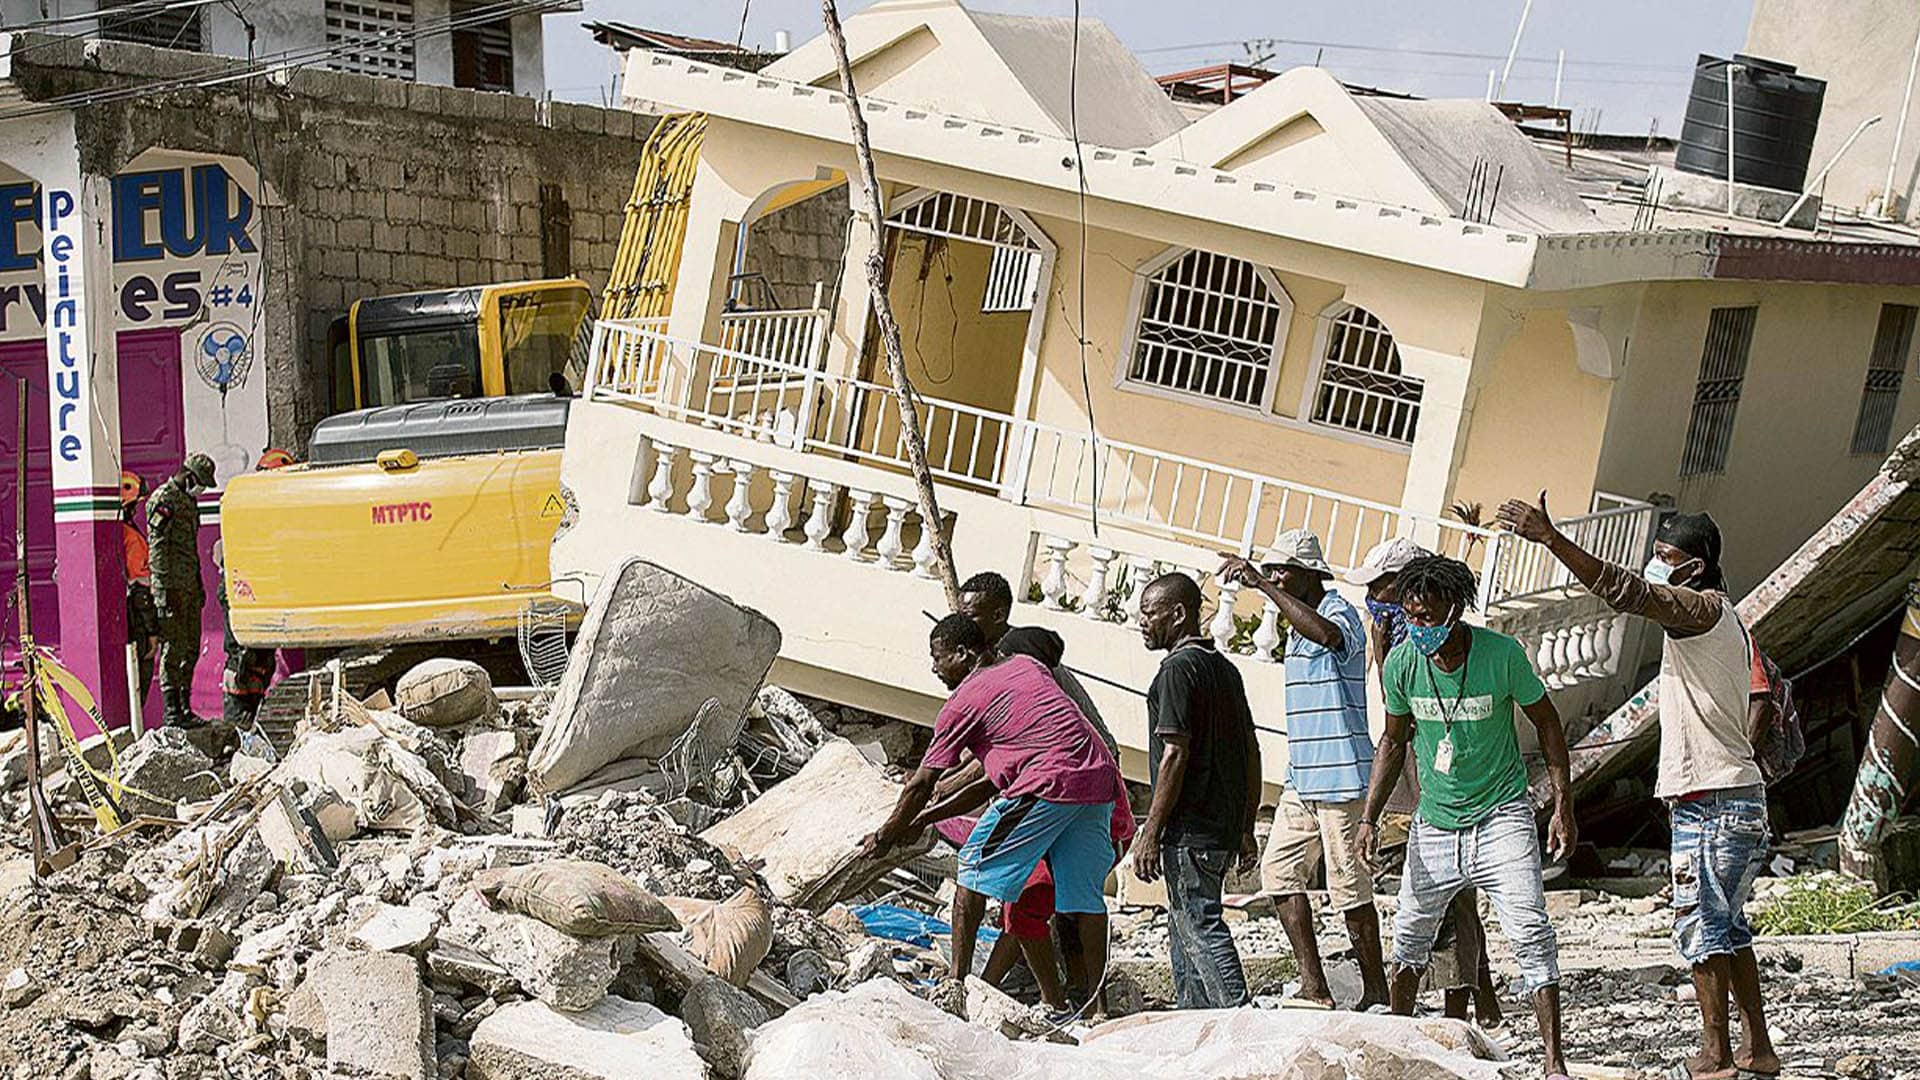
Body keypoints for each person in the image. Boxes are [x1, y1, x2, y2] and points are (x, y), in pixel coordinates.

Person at [1497, 496, 1780, 1080]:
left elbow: (1626, 591)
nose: (1656, 565)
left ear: (1694, 567)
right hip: (1732, 797)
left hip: (1713, 800)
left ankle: (1717, 1056)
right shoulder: (1725, 617)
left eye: (1665, 557)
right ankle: (1757, 1048)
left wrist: (1551, 539)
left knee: (1701, 929)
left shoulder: (1699, 608)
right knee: (1727, 928)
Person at [1353, 555, 1576, 1080]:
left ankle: (1554, 1062)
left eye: (1427, 617)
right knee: (1410, 935)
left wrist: (1562, 806)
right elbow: (1393, 741)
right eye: (1410, 617)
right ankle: (1398, 1049)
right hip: (1435, 822)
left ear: (1455, 610)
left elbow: (1547, 724)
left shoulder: (1502, 655)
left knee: (1530, 931)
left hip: (1501, 817)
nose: (1418, 628)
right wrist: (1369, 818)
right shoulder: (1402, 663)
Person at [862, 615, 1125, 1011]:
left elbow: (922, 783)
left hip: (1050, 784)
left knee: (971, 866)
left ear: (962, 654)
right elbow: (989, 782)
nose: (934, 667)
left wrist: (886, 835)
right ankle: (1096, 1009)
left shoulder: (965, 700)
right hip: (1097, 783)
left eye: (937, 657)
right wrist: (921, 820)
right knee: (1083, 899)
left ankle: (956, 987)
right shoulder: (1027, 668)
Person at [1219, 530, 1388, 1011]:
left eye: (1282, 571)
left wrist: (1261, 585)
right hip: (1303, 777)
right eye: (1271, 571)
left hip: (1342, 779)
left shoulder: (1339, 613)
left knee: (1349, 888)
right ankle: (1315, 986)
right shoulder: (1295, 624)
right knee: (1279, 874)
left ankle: (1376, 989)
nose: (1275, 578)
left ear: (1309, 573)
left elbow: (1329, 637)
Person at [1348, 537, 1504, 1028]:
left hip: (1448, 778)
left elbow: (1415, 721)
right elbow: (1393, 717)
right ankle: (1479, 996)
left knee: (1453, 894)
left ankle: (1463, 1004)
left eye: (1380, 586)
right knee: (1443, 895)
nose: (1373, 597)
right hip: (1418, 770)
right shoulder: (1398, 636)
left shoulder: (1437, 638)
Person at [1132, 572, 1260, 1009]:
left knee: (1200, 925)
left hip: (1190, 830)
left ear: (1178, 614)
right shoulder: (1225, 670)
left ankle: (1238, 1017)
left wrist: (1151, 831)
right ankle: (1194, 1021)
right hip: (1219, 828)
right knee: (1183, 926)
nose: (1142, 621)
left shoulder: (1177, 670)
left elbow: (1174, 753)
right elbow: (1251, 752)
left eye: (1149, 613)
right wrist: (1245, 826)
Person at [219, 449, 293, 728]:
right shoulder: (249, 507)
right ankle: (235, 729)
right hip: (242, 589)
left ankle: (248, 724)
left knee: (260, 660)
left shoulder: (266, 508)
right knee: (242, 659)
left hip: (259, 589)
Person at [148, 453, 216, 727]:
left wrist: (198, 586)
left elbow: (190, 550)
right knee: (173, 649)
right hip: (172, 589)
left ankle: (185, 707)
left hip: (189, 587)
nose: (201, 489)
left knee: (190, 647)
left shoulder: (188, 502)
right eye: (200, 483)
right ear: (188, 476)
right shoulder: (163, 500)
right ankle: (172, 710)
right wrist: (163, 591)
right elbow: (157, 549)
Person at [119, 471, 160, 710]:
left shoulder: (116, 532)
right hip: (137, 623)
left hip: (126, 619)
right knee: (137, 686)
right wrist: (152, 633)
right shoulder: (131, 538)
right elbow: (141, 587)